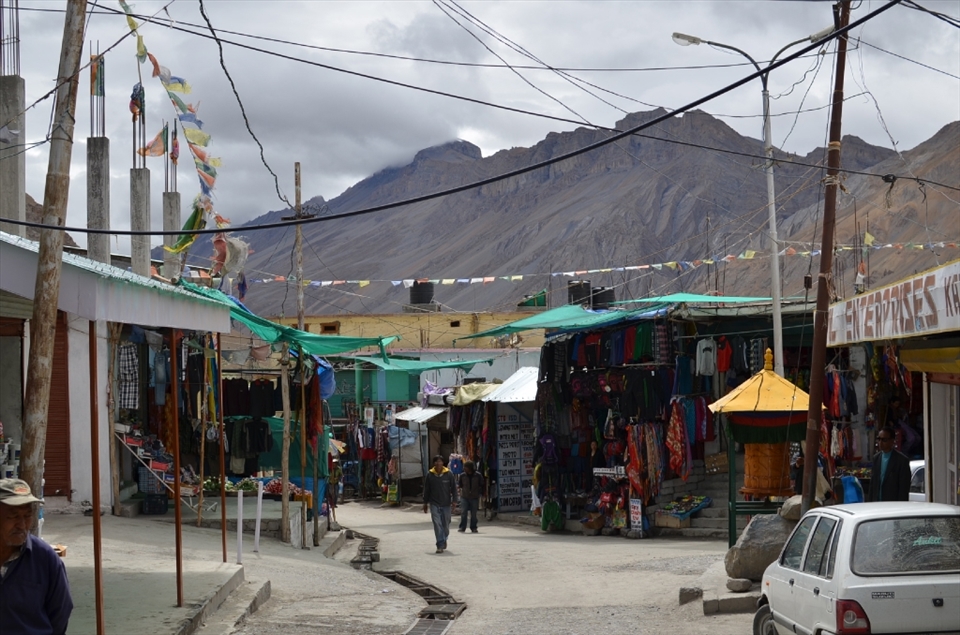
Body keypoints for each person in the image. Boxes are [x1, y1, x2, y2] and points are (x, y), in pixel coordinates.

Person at [0, 478, 73, 635]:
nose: (22, 524)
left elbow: (60, 613)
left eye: (27, 516)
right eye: (13, 516)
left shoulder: (45, 558)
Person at [422, 455, 458, 553]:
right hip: (434, 503)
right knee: (437, 524)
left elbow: (454, 489)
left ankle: (444, 538)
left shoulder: (448, 474)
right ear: (434, 463)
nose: (438, 463)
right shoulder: (430, 474)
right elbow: (427, 490)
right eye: (436, 462)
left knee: (446, 524)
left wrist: (454, 501)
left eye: (440, 461)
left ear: (443, 463)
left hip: (446, 503)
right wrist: (425, 503)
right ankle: (440, 544)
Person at [868, 426, 911, 502]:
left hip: (892, 504)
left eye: (884, 440)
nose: (880, 442)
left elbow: (903, 488)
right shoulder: (876, 458)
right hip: (876, 504)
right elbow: (873, 484)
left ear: (892, 441)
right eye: (879, 439)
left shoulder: (902, 460)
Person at [457, 460, 482, 534]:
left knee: (473, 513)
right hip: (464, 496)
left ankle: (473, 527)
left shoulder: (478, 475)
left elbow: (481, 484)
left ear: (470, 468)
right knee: (464, 512)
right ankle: (462, 527)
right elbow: (460, 485)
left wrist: (480, 493)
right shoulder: (462, 475)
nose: (464, 468)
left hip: (474, 497)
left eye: (466, 467)